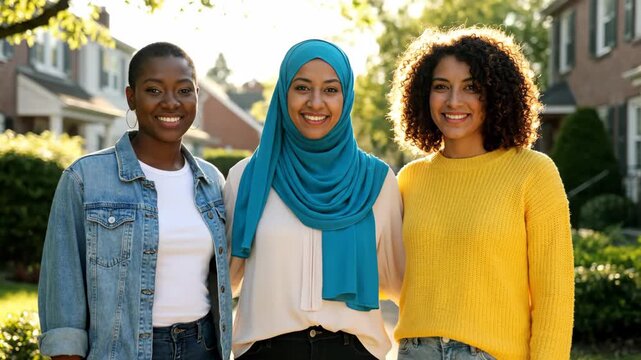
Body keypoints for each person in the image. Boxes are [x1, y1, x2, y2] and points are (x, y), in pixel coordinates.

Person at [388, 27, 574, 360]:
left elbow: (554, 299)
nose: (453, 101)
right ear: (422, 95)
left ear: (496, 93)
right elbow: (386, 277)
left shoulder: (533, 173)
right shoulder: (409, 180)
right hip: (416, 352)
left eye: (471, 88)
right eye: (440, 87)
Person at [37, 42, 231, 360]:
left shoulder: (211, 181)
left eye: (184, 91)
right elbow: (63, 292)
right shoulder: (85, 178)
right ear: (131, 97)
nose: (171, 103)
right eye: (154, 90)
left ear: (196, 96)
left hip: (204, 347)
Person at [223, 39, 404, 360]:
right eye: (302, 88)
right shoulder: (246, 178)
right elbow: (224, 281)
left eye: (331, 90)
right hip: (266, 351)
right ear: (284, 94)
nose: (316, 102)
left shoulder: (377, 181)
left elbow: (398, 281)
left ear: (346, 96)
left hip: (352, 350)